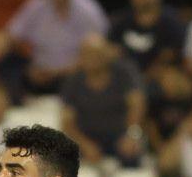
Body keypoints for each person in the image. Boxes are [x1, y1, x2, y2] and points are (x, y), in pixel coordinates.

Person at [0, 0, 109, 101]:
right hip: (39, 71)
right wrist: (2, 44)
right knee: (6, 62)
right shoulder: (36, 6)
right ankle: (13, 108)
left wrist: (60, 72)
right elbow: (9, 36)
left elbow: (101, 49)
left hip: (74, 72)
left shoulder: (88, 10)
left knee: (92, 66)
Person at [60, 34, 148, 168]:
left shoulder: (124, 73)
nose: (91, 59)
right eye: (87, 54)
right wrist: (84, 144)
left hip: (120, 134)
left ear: (106, 55)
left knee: (132, 154)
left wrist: (131, 135)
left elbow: (137, 105)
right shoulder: (74, 80)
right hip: (86, 135)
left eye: (96, 54)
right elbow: (67, 120)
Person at [110, 0, 187, 76]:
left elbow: (172, 55)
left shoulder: (171, 21)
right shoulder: (122, 21)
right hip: (126, 80)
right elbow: (112, 50)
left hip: (159, 78)